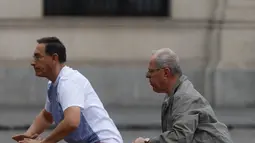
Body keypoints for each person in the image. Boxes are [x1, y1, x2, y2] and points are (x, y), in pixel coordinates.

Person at [12, 37, 123, 143]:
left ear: (54, 58)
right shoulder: (53, 84)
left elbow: (71, 122)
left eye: (38, 57)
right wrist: (28, 135)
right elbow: (47, 116)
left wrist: (45, 142)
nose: (33, 62)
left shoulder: (68, 81)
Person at [133, 48, 233, 143]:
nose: (147, 75)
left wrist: (147, 142)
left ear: (166, 73)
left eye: (151, 71)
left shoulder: (185, 97)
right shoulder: (174, 95)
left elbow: (180, 137)